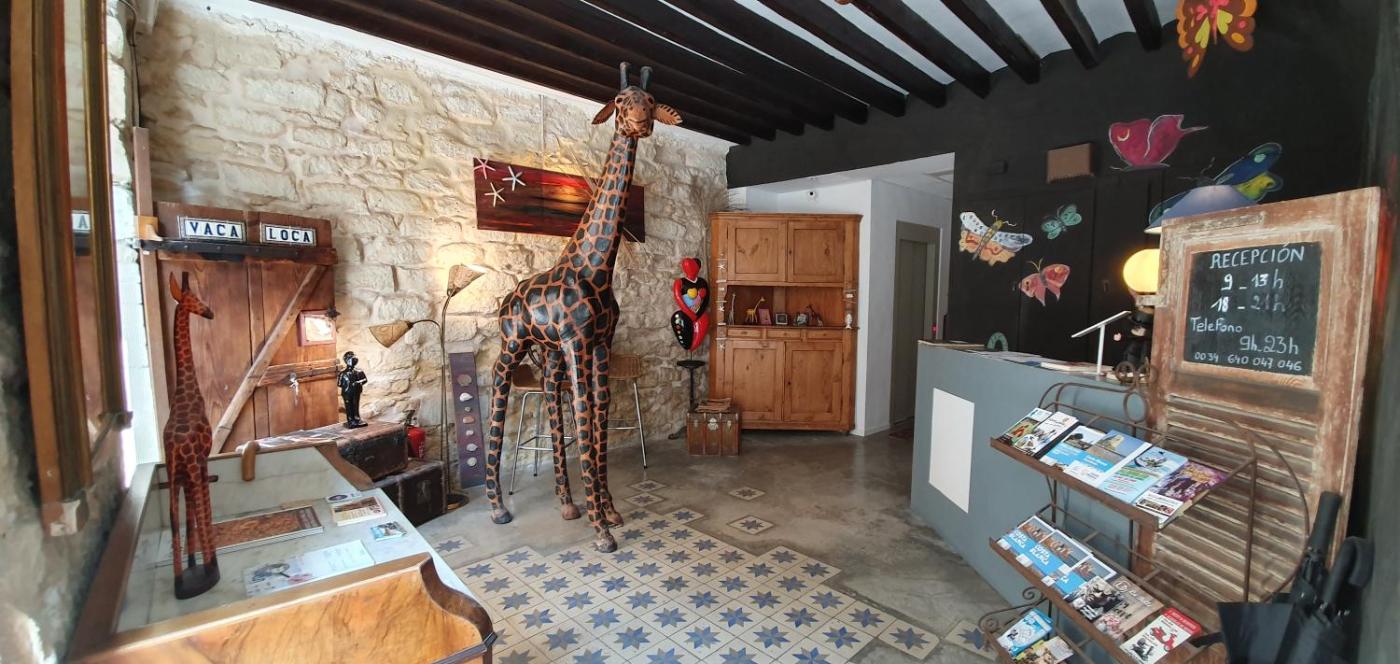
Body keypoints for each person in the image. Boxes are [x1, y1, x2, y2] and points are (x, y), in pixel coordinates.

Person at [338, 351, 368, 428]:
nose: (352, 361)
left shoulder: (359, 371)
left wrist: (357, 383)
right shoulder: (342, 373)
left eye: (353, 359)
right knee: (348, 407)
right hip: (346, 393)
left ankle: (357, 419)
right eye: (350, 359)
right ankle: (350, 420)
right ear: (346, 360)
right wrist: (348, 385)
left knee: (355, 405)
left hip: (356, 392)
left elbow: (364, 380)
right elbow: (339, 384)